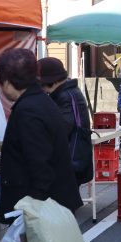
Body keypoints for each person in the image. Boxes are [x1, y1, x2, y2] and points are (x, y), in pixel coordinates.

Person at [0, 48, 82, 242]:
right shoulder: (42, 101)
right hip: (53, 198)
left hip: (38, 204)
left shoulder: (27, 110)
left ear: (6, 82)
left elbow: (39, 165)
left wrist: (32, 208)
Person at [37, 57, 93, 186]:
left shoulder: (65, 96)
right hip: (72, 160)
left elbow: (61, 128)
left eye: (43, 84)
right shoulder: (69, 92)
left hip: (68, 161)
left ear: (52, 81)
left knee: (62, 203)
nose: (43, 89)